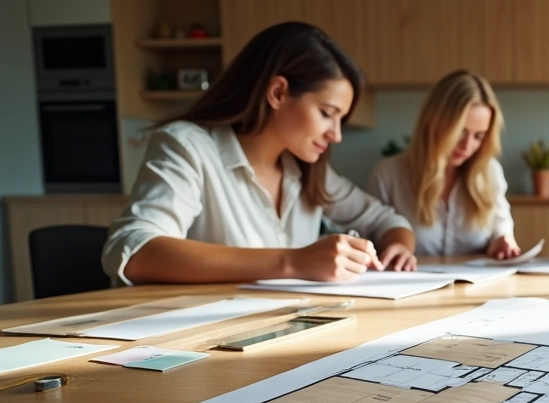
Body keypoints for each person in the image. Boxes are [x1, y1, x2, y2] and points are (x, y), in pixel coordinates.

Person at [102, 21, 417, 286]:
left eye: (340, 120)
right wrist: (293, 262)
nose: (336, 134)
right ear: (277, 92)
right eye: (326, 113)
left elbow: (386, 219)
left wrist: (399, 247)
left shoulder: (306, 168)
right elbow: (134, 251)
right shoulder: (188, 146)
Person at [368, 70, 520, 259]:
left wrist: (502, 242)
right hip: (413, 287)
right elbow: (374, 244)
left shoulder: (490, 172)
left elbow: (502, 230)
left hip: (477, 287)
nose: (467, 146)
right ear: (433, 122)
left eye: (479, 136)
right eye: (460, 132)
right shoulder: (388, 175)